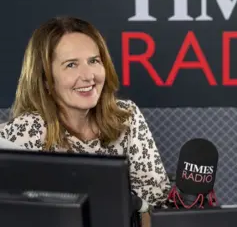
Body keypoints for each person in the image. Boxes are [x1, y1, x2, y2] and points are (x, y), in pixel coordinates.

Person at [0, 16, 170, 225]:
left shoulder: (126, 116)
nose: (88, 76)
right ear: (46, 80)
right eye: (71, 65)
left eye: (93, 61)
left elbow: (154, 204)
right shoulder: (25, 131)